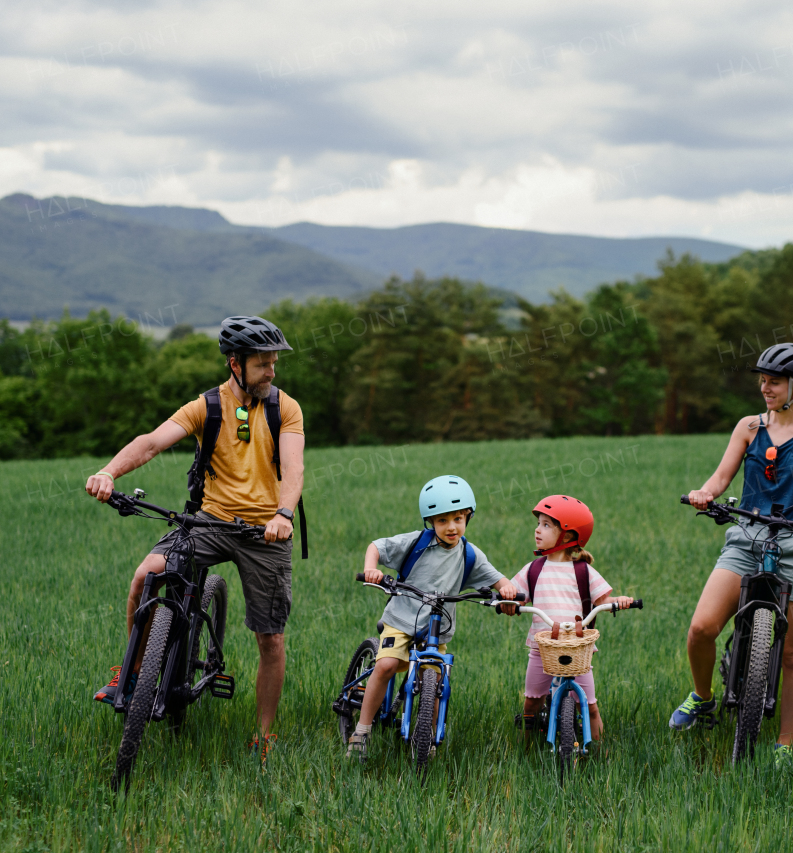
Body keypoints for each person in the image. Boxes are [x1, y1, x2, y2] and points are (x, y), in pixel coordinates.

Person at [85, 315, 304, 760]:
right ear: (235, 364)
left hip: (264, 530)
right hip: (209, 521)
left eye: (273, 363)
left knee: (271, 638)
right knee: (146, 575)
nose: (272, 371)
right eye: (263, 364)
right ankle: (135, 670)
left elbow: (294, 468)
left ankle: (264, 735)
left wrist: (283, 513)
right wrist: (109, 471)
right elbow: (150, 442)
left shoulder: (287, 408)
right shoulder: (207, 406)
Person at [668, 343, 793, 760]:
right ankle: (703, 698)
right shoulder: (749, 427)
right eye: (762, 380)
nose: (764, 387)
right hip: (746, 535)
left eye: (773, 381)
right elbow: (721, 477)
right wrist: (705, 493)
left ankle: (784, 743)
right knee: (702, 628)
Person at [347, 475, 518, 759]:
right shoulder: (416, 542)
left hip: (435, 630)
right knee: (387, 664)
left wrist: (507, 589)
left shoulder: (469, 555)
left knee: (435, 680)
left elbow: (497, 579)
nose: (451, 527)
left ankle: (426, 739)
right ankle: (362, 730)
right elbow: (376, 547)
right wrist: (371, 568)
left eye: (458, 519)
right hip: (401, 619)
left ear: (468, 517)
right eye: (442, 521)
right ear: (431, 522)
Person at [504, 495, 634, 743]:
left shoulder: (583, 571)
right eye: (538, 524)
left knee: (589, 705)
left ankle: (598, 750)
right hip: (542, 648)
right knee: (531, 702)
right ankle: (526, 748)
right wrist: (508, 603)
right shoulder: (534, 569)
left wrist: (620, 601)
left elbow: (602, 600)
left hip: (578, 649)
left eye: (545, 525)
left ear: (567, 536)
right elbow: (515, 596)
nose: (537, 530)